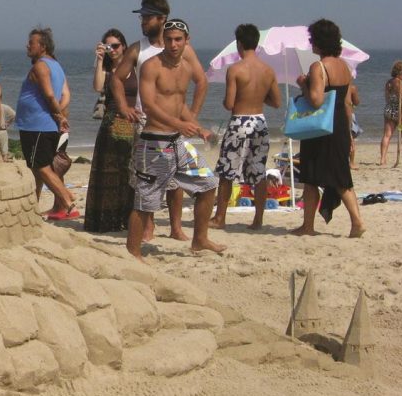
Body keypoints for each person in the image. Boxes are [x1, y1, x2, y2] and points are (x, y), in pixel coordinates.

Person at [111, 0, 208, 242]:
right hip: (148, 122)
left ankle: (176, 227)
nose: (142, 21)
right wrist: (124, 107)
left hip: (177, 127)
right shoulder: (139, 49)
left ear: (161, 19)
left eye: (147, 17)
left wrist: (192, 119)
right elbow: (117, 78)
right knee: (148, 182)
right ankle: (148, 229)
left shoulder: (182, 48)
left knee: (176, 179)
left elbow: (201, 81)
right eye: (142, 17)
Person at [126, 20, 224, 260]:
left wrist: (197, 127)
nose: (173, 44)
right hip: (154, 143)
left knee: (209, 183)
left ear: (187, 41)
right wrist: (181, 124)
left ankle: (199, 239)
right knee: (145, 202)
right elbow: (149, 105)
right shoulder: (151, 66)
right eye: (169, 39)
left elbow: (180, 102)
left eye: (178, 39)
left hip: (177, 143)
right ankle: (133, 252)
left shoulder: (186, 68)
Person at [291, 19, 365, 238]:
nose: (310, 42)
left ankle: (312, 226)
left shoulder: (319, 67)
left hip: (320, 128)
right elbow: (346, 103)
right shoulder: (345, 66)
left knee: (313, 176)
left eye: (312, 39)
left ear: (320, 42)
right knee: (339, 176)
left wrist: (303, 83)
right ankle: (352, 221)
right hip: (340, 124)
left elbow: (315, 100)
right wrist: (350, 133)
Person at [209, 24, 281, 231]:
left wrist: (238, 97)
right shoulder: (268, 71)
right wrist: (258, 96)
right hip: (259, 121)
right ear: (256, 44)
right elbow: (276, 102)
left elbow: (229, 103)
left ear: (239, 44)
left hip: (240, 121)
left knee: (227, 172)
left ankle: (220, 217)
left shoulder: (235, 69)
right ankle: (258, 220)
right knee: (258, 171)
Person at [16, 27, 78, 221]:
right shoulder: (56, 65)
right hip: (45, 125)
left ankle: (67, 201)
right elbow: (66, 94)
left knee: (41, 167)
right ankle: (32, 207)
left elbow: (49, 94)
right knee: (37, 168)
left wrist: (59, 116)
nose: (27, 45)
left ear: (42, 46)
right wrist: (59, 114)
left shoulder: (41, 66)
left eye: (31, 42)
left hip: (36, 125)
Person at [84, 29, 137, 233]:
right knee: (108, 174)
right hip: (111, 122)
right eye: (108, 47)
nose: (112, 50)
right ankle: (106, 219)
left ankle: (127, 217)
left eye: (115, 46)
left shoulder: (135, 69)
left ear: (124, 46)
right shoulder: (107, 72)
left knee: (129, 172)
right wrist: (99, 60)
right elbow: (98, 87)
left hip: (133, 122)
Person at [379, 60, 402, 166]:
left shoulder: (389, 82)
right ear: (400, 72)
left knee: (387, 135)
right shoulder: (400, 83)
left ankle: (382, 159)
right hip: (400, 111)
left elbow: (387, 97)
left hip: (389, 109)